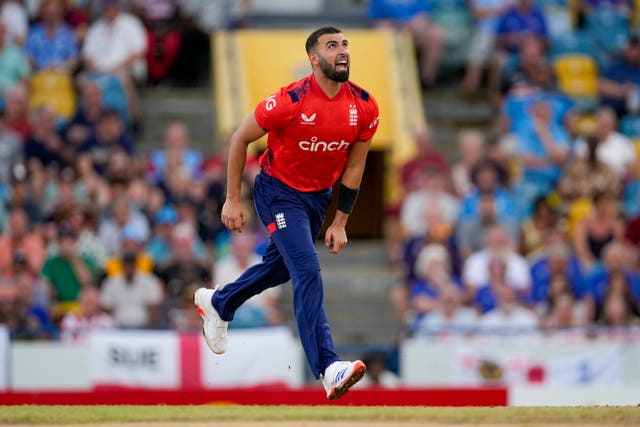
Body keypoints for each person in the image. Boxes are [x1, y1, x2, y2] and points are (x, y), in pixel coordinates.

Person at [193, 27, 379, 400]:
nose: (342, 51)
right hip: (277, 192)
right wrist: (232, 199)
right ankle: (328, 366)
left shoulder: (364, 105)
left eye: (345, 45)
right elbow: (239, 139)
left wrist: (341, 221)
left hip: (317, 199)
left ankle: (219, 302)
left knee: (283, 267)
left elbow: (355, 167)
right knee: (306, 269)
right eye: (332, 46)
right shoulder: (289, 100)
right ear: (314, 58)